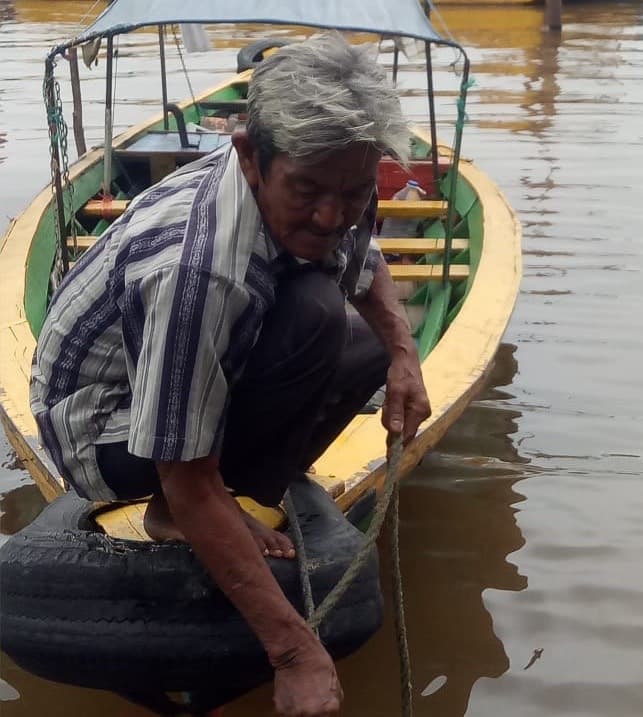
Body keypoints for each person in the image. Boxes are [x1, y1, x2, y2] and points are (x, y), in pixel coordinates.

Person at [30, 32, 431, 717]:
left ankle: (239, 496)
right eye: (306, 192)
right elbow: (181, 472)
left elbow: (362, 259)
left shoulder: (335, 180)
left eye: (354, 192)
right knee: (313, 314)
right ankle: (180, 518)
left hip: (181, 368)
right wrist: (296, 652)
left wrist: (403, 355)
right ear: (250, 157)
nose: (333, 216)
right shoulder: (198, 269)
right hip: (104, 426)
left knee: (360, 342)